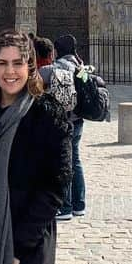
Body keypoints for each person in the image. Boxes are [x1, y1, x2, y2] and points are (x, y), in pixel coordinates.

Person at [0, 30, 72, 264]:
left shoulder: (47, 114)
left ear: (30, 67)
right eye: (2, 63)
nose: (10, 72)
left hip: (27, 242)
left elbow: (55, 187)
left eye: (17, 63)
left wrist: (19, 248)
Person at [49, 34, 86, 220]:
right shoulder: (80, 66)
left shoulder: (58, 66)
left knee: (64, 162)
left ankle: (65, 207)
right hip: (78, 119)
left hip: (65, 120)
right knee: (76, 161)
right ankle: (79, 204)